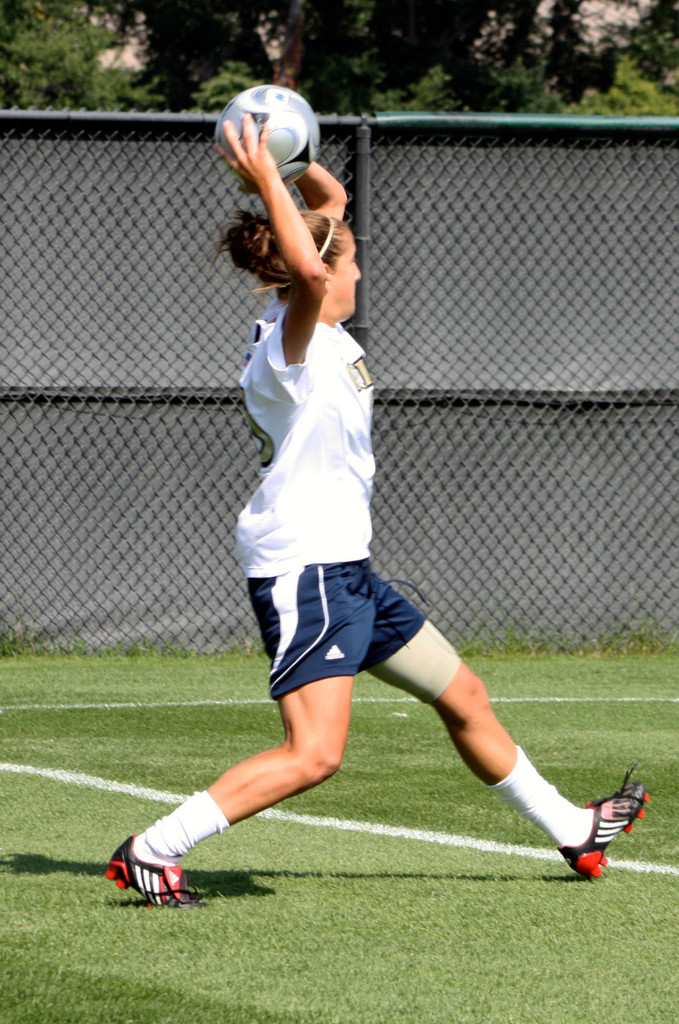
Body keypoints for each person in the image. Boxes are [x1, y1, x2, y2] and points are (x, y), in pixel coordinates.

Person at [106, 113, 648, 907]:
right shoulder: (287, 346)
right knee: (314, 754)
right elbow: (316, 269)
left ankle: (571, 827)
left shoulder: (320, 332)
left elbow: (331, 202)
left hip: (347, 568)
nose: (358, 273)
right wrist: (262, 181)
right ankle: (153, 849)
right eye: (346, 262)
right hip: (306, 567)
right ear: (310, 276)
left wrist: (291, 160)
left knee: (462, 695)